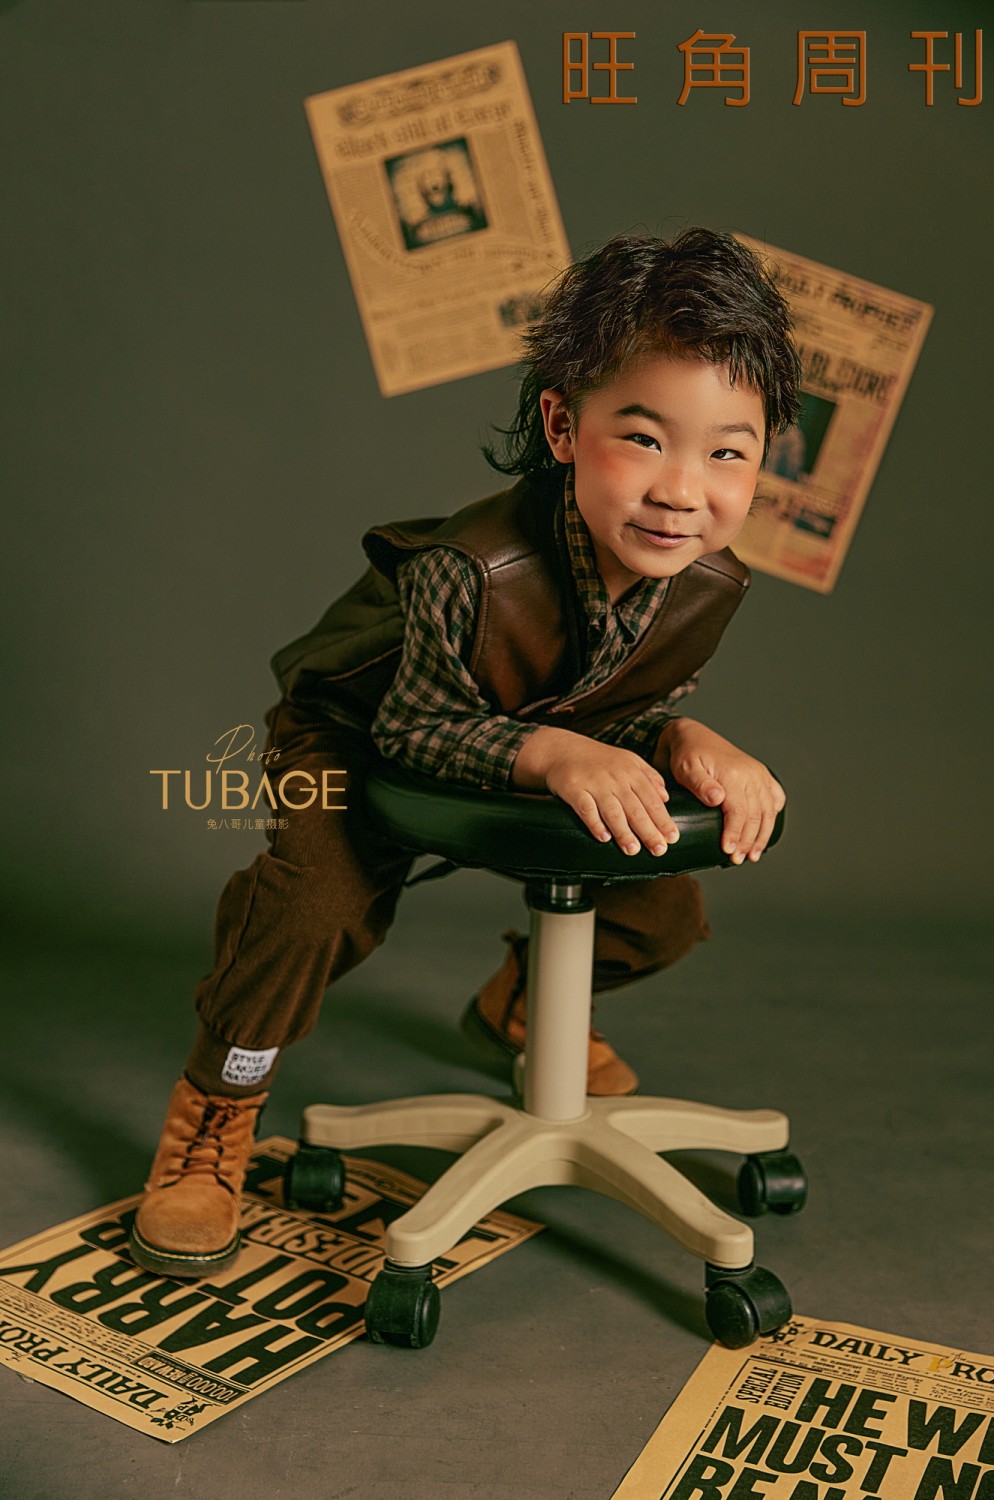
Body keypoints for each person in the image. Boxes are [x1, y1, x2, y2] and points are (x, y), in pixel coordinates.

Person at [128, 228, 801, 1280]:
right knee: (313, 910)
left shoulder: (708, 581)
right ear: (563, 425)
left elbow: (635, 702)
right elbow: (416, 732)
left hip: (540, 734)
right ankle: (216, 1109)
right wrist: (555, 755)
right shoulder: (473, 566)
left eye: (727, 452)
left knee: (662, 905)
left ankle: (521, 1008)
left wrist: (685, 736)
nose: (683, 490)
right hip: (364, 733)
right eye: (643, 438)